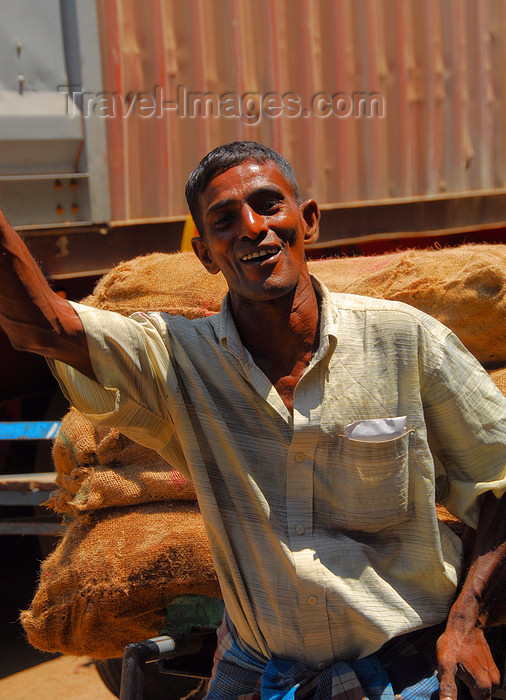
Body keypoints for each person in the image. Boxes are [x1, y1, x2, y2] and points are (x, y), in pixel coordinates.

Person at [1, 141, 505, 700]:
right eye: (224, 220)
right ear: (203, 252)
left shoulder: (404, 338)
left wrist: (467, 624)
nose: (251, 227)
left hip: (406, 664)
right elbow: (42, 325)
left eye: (268, 205)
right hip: (264, 672)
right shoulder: (176, 360)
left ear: (307, 221)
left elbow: (501, 479)